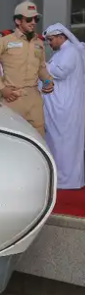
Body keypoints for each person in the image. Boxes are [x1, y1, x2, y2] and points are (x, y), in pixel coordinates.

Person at [0, 1, 54, 137]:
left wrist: (48, 82)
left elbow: (41, 67)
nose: (33, 22)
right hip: (13, 97)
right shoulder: (4, 39)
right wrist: (2, 88)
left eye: (36, 19)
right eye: (29, 19)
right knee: (11, 138)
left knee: (38, 138)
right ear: (18, 21)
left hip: (34, 99)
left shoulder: (38, 42)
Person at [42, 23, 85, 190]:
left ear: (61, 37)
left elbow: (60, 72)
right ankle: (62, 178)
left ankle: (67, 181)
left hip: (67, 106)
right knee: (60, 143)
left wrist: (41, 65)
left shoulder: (70, 52)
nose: (50, 43)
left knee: (66, 144)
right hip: (63, 105)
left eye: (51, 40)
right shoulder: (63, 52)